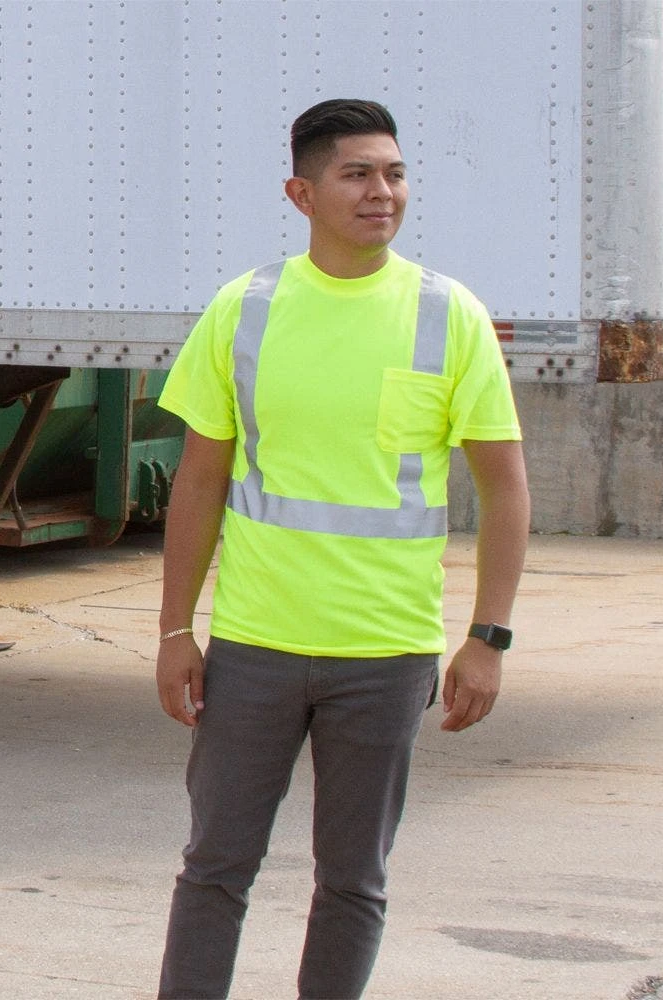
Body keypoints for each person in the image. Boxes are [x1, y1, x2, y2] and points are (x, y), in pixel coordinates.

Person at [154, 98, 530, 1000]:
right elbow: (199, 483)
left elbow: (506, 488)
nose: (382, 192)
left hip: (387, 652)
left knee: (354, 880)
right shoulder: (244, 310)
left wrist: (489, 637)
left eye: (395, 174)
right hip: (255, 647)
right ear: (302, 193)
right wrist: (174, 632)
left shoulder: (449, 315)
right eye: (357, 174)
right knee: (215, 868)